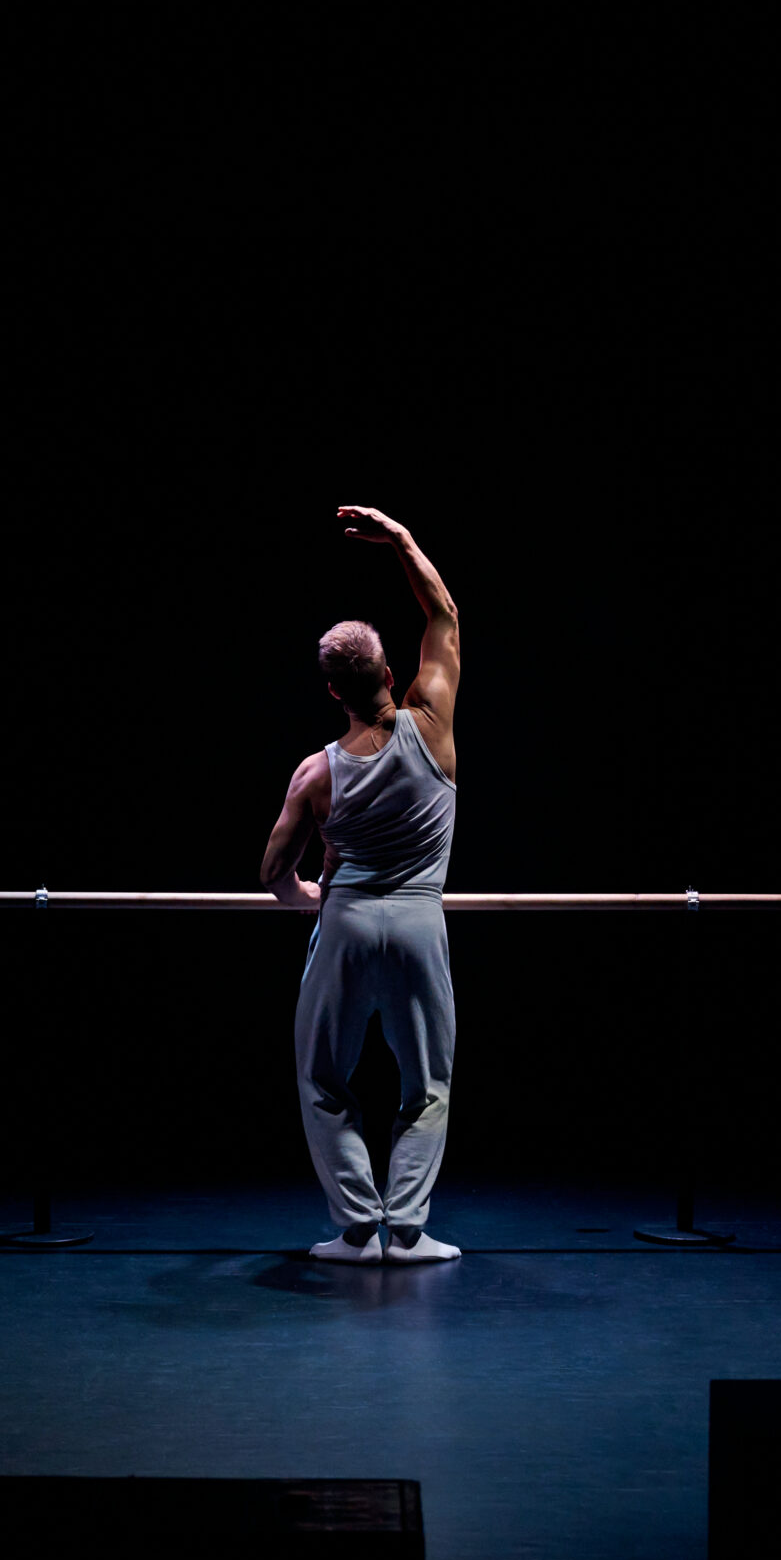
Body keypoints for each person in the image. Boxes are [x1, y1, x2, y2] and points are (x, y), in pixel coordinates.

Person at [259, 506, 463, 1265]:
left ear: (332, 692)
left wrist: (306, 897)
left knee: (323, 1077)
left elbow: (272, 872)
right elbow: (443, 615)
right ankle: (404, 1231)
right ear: (388, 676)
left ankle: (354, 1230)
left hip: (345, 922)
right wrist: (401, 539)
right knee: (427, 1082)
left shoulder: (316, 773)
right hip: (417, 923)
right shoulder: (431, 721)